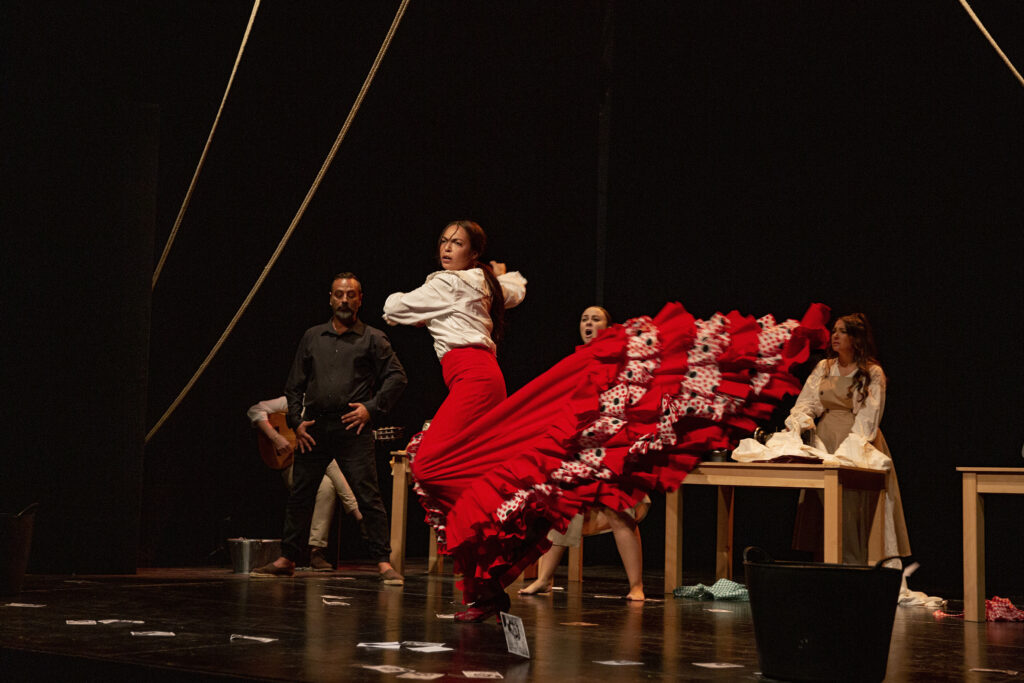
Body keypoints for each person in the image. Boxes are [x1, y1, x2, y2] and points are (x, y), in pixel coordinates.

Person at [386, 220, 830, 623]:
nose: (446, 248)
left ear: (473, 252)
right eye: (443, 241)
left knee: (429, 467)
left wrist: (422, 303)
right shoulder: (483, 283)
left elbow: (394, 309)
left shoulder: (446, 282)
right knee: (483, 475)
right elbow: (516, 288)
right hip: (482, 379)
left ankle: (500, 538)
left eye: (457, 243)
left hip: (472, 382)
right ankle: (487, 589)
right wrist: (496, 277)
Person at [251, 272, 408, 584]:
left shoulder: (372, 337)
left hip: (352, 427)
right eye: (339, 294)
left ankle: (383, 563)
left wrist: (370, 408)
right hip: (315, 427)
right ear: (330, 299)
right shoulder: (313, 336)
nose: (345, 300)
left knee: (367, 496)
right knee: (301, 495)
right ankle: (287, 558)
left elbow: (397, 377)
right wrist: (296, 422)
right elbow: (294, 385)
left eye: (351, 295)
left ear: (360, 300)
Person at [737, 313, 910, 565]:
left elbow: (868, 418)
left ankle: (859, 565)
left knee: (854, 507)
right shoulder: (824, 368)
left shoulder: (872, 372)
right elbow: (806, 403)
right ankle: (830, 565)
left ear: (857, 338)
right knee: (826, 508)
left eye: (842, 331)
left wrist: (848, 452)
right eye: (834, 330)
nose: (835, 336)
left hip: (857, 443)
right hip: (824, 441)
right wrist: (801, 425)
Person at [519, 306, 648, 601]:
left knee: (619, 511)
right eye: (584, 319)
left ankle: (636, 586)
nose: (588, 323)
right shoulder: (575, 362)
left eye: (595, 319)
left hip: (611, 445)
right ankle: (544, 579)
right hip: (579, 447)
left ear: (609, 328)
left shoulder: (619, 358)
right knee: (562, 510)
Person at [247, 396, 363, 571]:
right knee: (330, 464)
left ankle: (316, 550)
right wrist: (276, 437)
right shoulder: (295, 401)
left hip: (316, 461)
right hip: (292, 465)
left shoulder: (329, 407)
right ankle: (358, 513)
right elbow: (254, 410)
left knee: (327, 486)